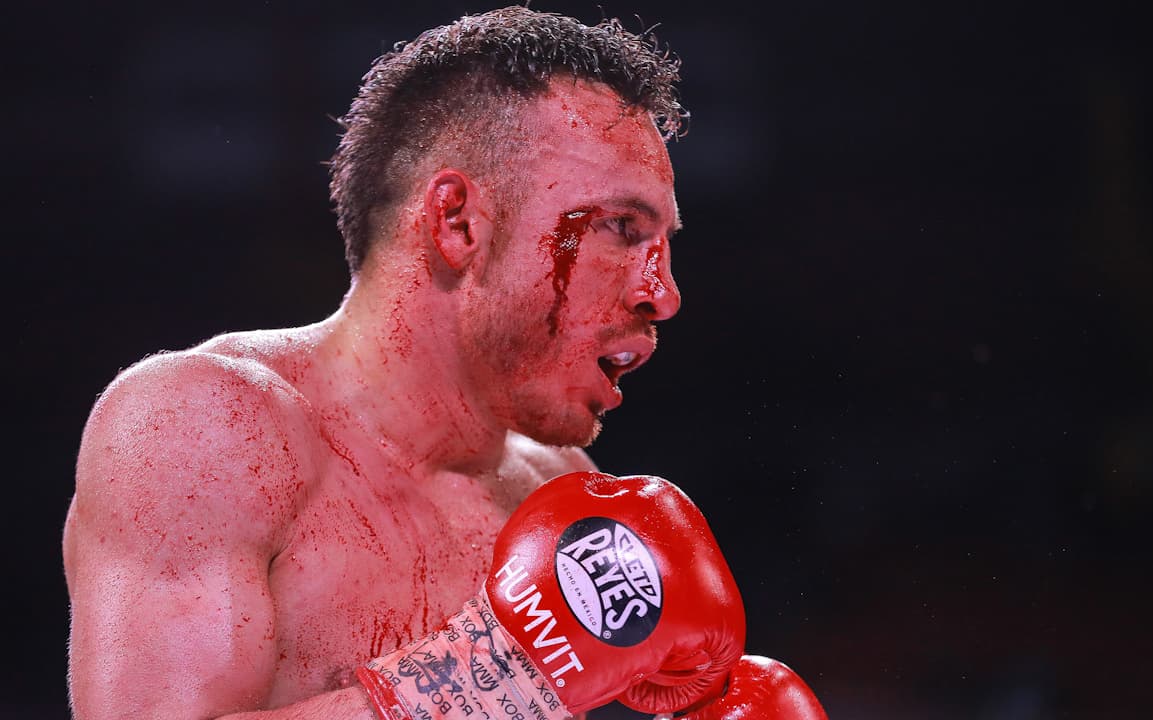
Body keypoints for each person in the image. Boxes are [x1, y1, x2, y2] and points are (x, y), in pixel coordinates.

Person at [62, 6, 825, 719]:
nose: (664, 293)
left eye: (663, 245)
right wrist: (503, 672)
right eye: (622, 228)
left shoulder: (557, 497)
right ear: (458, 222)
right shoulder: (209, 428)